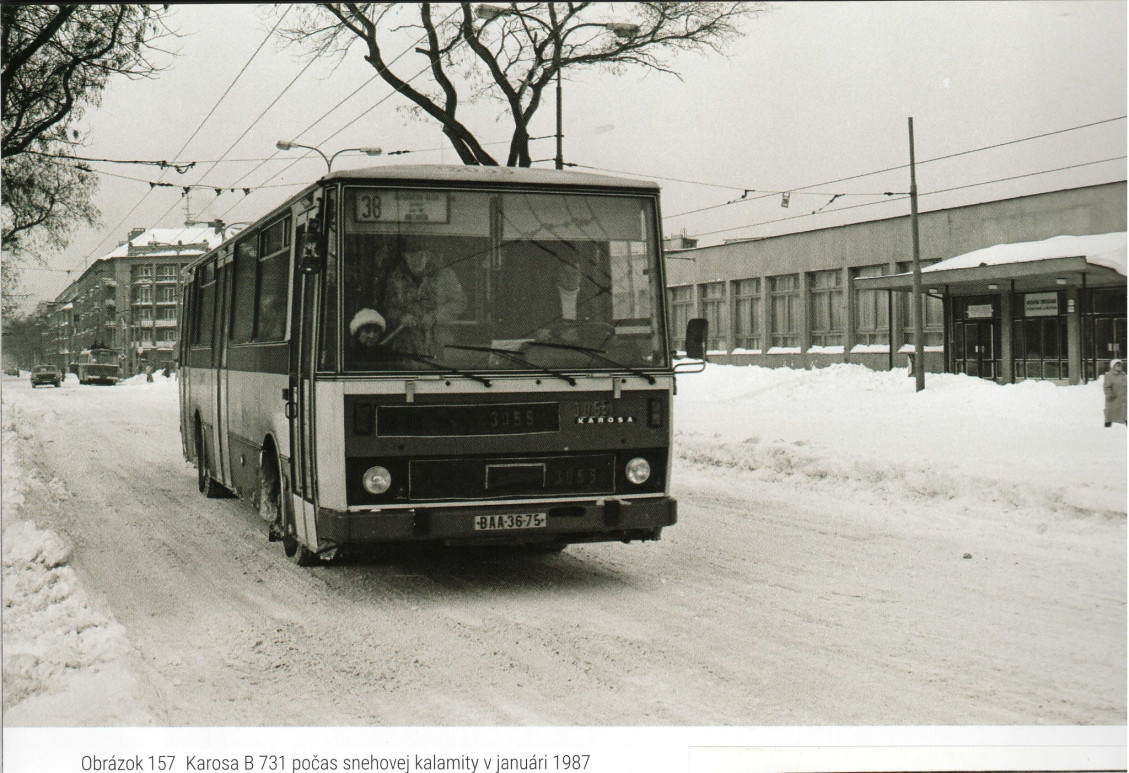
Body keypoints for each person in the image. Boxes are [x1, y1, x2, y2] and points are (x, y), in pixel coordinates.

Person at [355, 245, 466, 357]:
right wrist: (401, 316)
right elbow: (387, 309)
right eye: (410, 256)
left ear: (428, 254)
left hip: (438, 344)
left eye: (420, 256)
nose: (415, 260)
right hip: (405, 346)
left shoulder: (445, 275)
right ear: (405, 257)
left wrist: (435, 316)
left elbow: (459, 302)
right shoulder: (396, 278)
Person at [1103, 358, 1126, 427]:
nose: (1120, 367)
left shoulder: (1123, 375)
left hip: (1123, 400)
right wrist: (1109, 394)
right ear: (1113, 366)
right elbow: (1106, 387)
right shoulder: (1109, 376)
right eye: (1118, 365)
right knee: (1110, 416)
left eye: (1120, 365)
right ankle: (1107, 430)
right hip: (1113, 400)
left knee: (1125, 415)